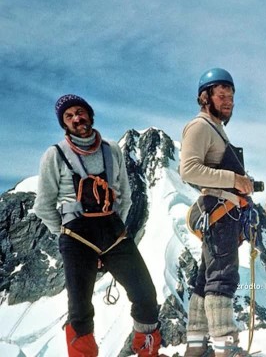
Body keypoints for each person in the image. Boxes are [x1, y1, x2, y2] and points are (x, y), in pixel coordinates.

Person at [34, 94, 162, 357]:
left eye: (80, 112)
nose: (76, 118)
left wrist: (115, 228)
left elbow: (124, 195)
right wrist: (65, 234)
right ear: (64, 124)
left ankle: (148, 352)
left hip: (113, 233)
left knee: (145, 294)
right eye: (69, 116)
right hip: (76, 236)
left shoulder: (112, 149)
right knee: (79, 309)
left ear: (90, 115)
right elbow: (44, 205)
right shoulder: (54, 155)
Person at [180, 68, 254, 357]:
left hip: (222, 212)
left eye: (231, 97)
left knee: (205, 278)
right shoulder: (199, 127)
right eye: (222, 95)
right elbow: (188, 169)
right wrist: (234, 181)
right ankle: (226, 346)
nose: (228, 101)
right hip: (220, 212)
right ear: (204, 97)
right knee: (222, 278)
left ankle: (196, 346)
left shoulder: (215, 129)